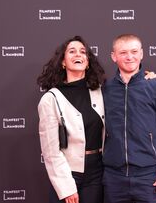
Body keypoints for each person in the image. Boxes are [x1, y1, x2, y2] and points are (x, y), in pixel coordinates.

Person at [102, 34, 156, 203]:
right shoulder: (105, 89)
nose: (129, 56)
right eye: (123, 52)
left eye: (134, 51)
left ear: (142, 54)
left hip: (148, 178)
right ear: (113, 56)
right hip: (113, 178)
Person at [37, 35, 106, 203]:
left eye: (83, 52)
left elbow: (127, 88)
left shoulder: (101, 92)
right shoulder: (51, 99)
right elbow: (50, 151)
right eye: (72, 51)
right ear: (63, 61)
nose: (78, 55)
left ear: (88, 62)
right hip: (68, 173)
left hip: (98, 172)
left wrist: (150, 80)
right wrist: (65, 187)